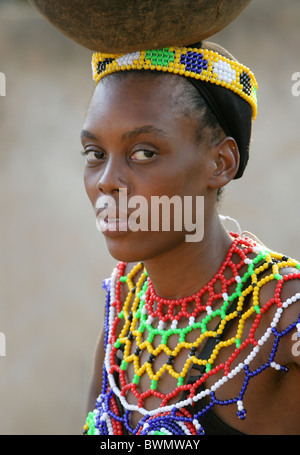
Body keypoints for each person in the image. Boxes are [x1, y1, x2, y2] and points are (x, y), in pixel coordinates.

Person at [81, 41, 300, 435]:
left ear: (221, 163)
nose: (106, 182)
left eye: (144, 153)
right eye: (95, 153)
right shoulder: (125, 300)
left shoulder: (284, 316)